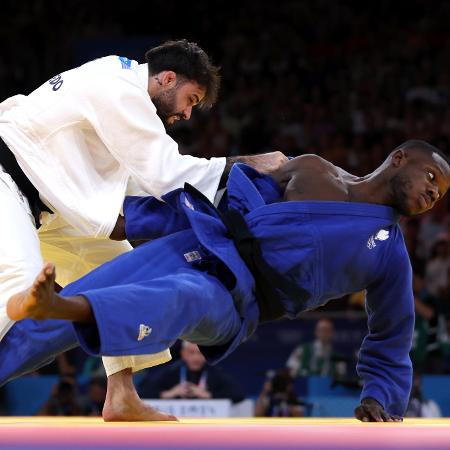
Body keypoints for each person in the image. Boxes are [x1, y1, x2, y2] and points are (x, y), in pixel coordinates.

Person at [5, 139, 450, 422]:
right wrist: (132, 221)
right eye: (431, 177)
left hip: (237, 300)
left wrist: (381, 399)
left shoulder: (389, 252)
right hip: (202, 244)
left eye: (440, 193)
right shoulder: (313, 168)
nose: (433, 193)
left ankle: (66, 305)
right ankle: (60, 309)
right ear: (398, 158)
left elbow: (392, 334)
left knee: (185, 297)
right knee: (42, 320)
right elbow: (218, 201)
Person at [0, 39, 286, 389]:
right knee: (20, 281)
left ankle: (121, 394)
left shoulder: (123, 89)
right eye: (191, 100)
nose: (187, 114)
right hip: (6, 178)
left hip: (44, 201)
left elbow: (141, 187)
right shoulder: (121, 91)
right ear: (167, 79)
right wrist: (249, 164)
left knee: (125, 277)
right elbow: (167, 174)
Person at [138, 341, 244, 404]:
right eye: (191, 353)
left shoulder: (214, 373)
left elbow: (238, 395)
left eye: (200, 353)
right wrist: (169, 393)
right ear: (183, 353)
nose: (196, 358)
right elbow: (142, 392)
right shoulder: (172, 371)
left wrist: (209, 395)